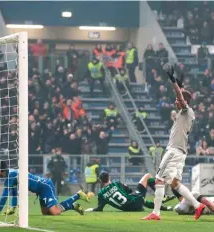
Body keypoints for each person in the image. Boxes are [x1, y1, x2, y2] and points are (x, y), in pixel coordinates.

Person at [143, 65, 206, 220]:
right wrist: (179, 84)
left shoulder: (186, 111)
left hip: (173, 151)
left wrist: (173, 81)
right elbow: (181, 94)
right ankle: (198, 206)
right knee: (175, 184)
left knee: (159, 179)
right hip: (180, 152)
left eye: (177, 100)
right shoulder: (186, 113)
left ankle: (156, 213)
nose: (175, 102)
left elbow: (180, 96)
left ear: (183, 101)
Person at [0, 161, 90, 216]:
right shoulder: (11, 174)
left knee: (54, 212)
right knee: (46, 213)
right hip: (40, 190)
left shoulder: (11, 175)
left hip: (45, 186)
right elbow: (13, 192)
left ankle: (78, 195)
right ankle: (72, 206)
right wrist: (13, 208)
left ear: (0, 170)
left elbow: (4, 194)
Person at [85, 172, 172, 212]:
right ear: (109, 178)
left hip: (127, 209)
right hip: (135, 202)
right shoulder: (116, 184)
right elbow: (129, 190)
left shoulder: (101, 194)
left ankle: (166, 208)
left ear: (100, 181)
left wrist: (91, 209)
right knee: (147, 176)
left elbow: (99, 208)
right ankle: (162, 196)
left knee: (140, 200)